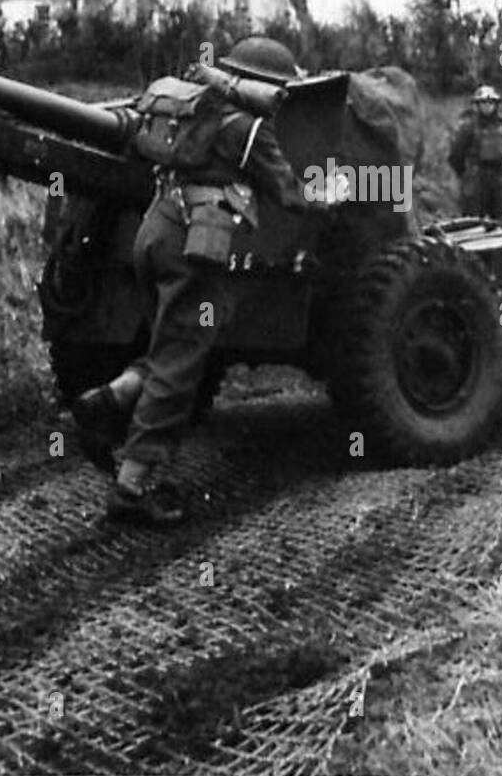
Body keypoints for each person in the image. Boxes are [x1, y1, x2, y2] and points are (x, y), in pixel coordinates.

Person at [72, 36, 346, 526]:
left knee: (168, 344)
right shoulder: (249, 128)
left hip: (152, 235)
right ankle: (133, 488)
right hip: (192, 248)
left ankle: (108, 400)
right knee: (181, 365)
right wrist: (330, 196)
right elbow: (287, 191)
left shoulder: (192, 107)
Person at [448, 85, 502, 219]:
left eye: (491, 103)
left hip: (499, 178)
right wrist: (466, 174)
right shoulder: (468, 127)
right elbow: (455, 155)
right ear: (477, 105)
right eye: (484, 103)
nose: (488, 106)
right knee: (473, 217)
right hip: (476, 177)